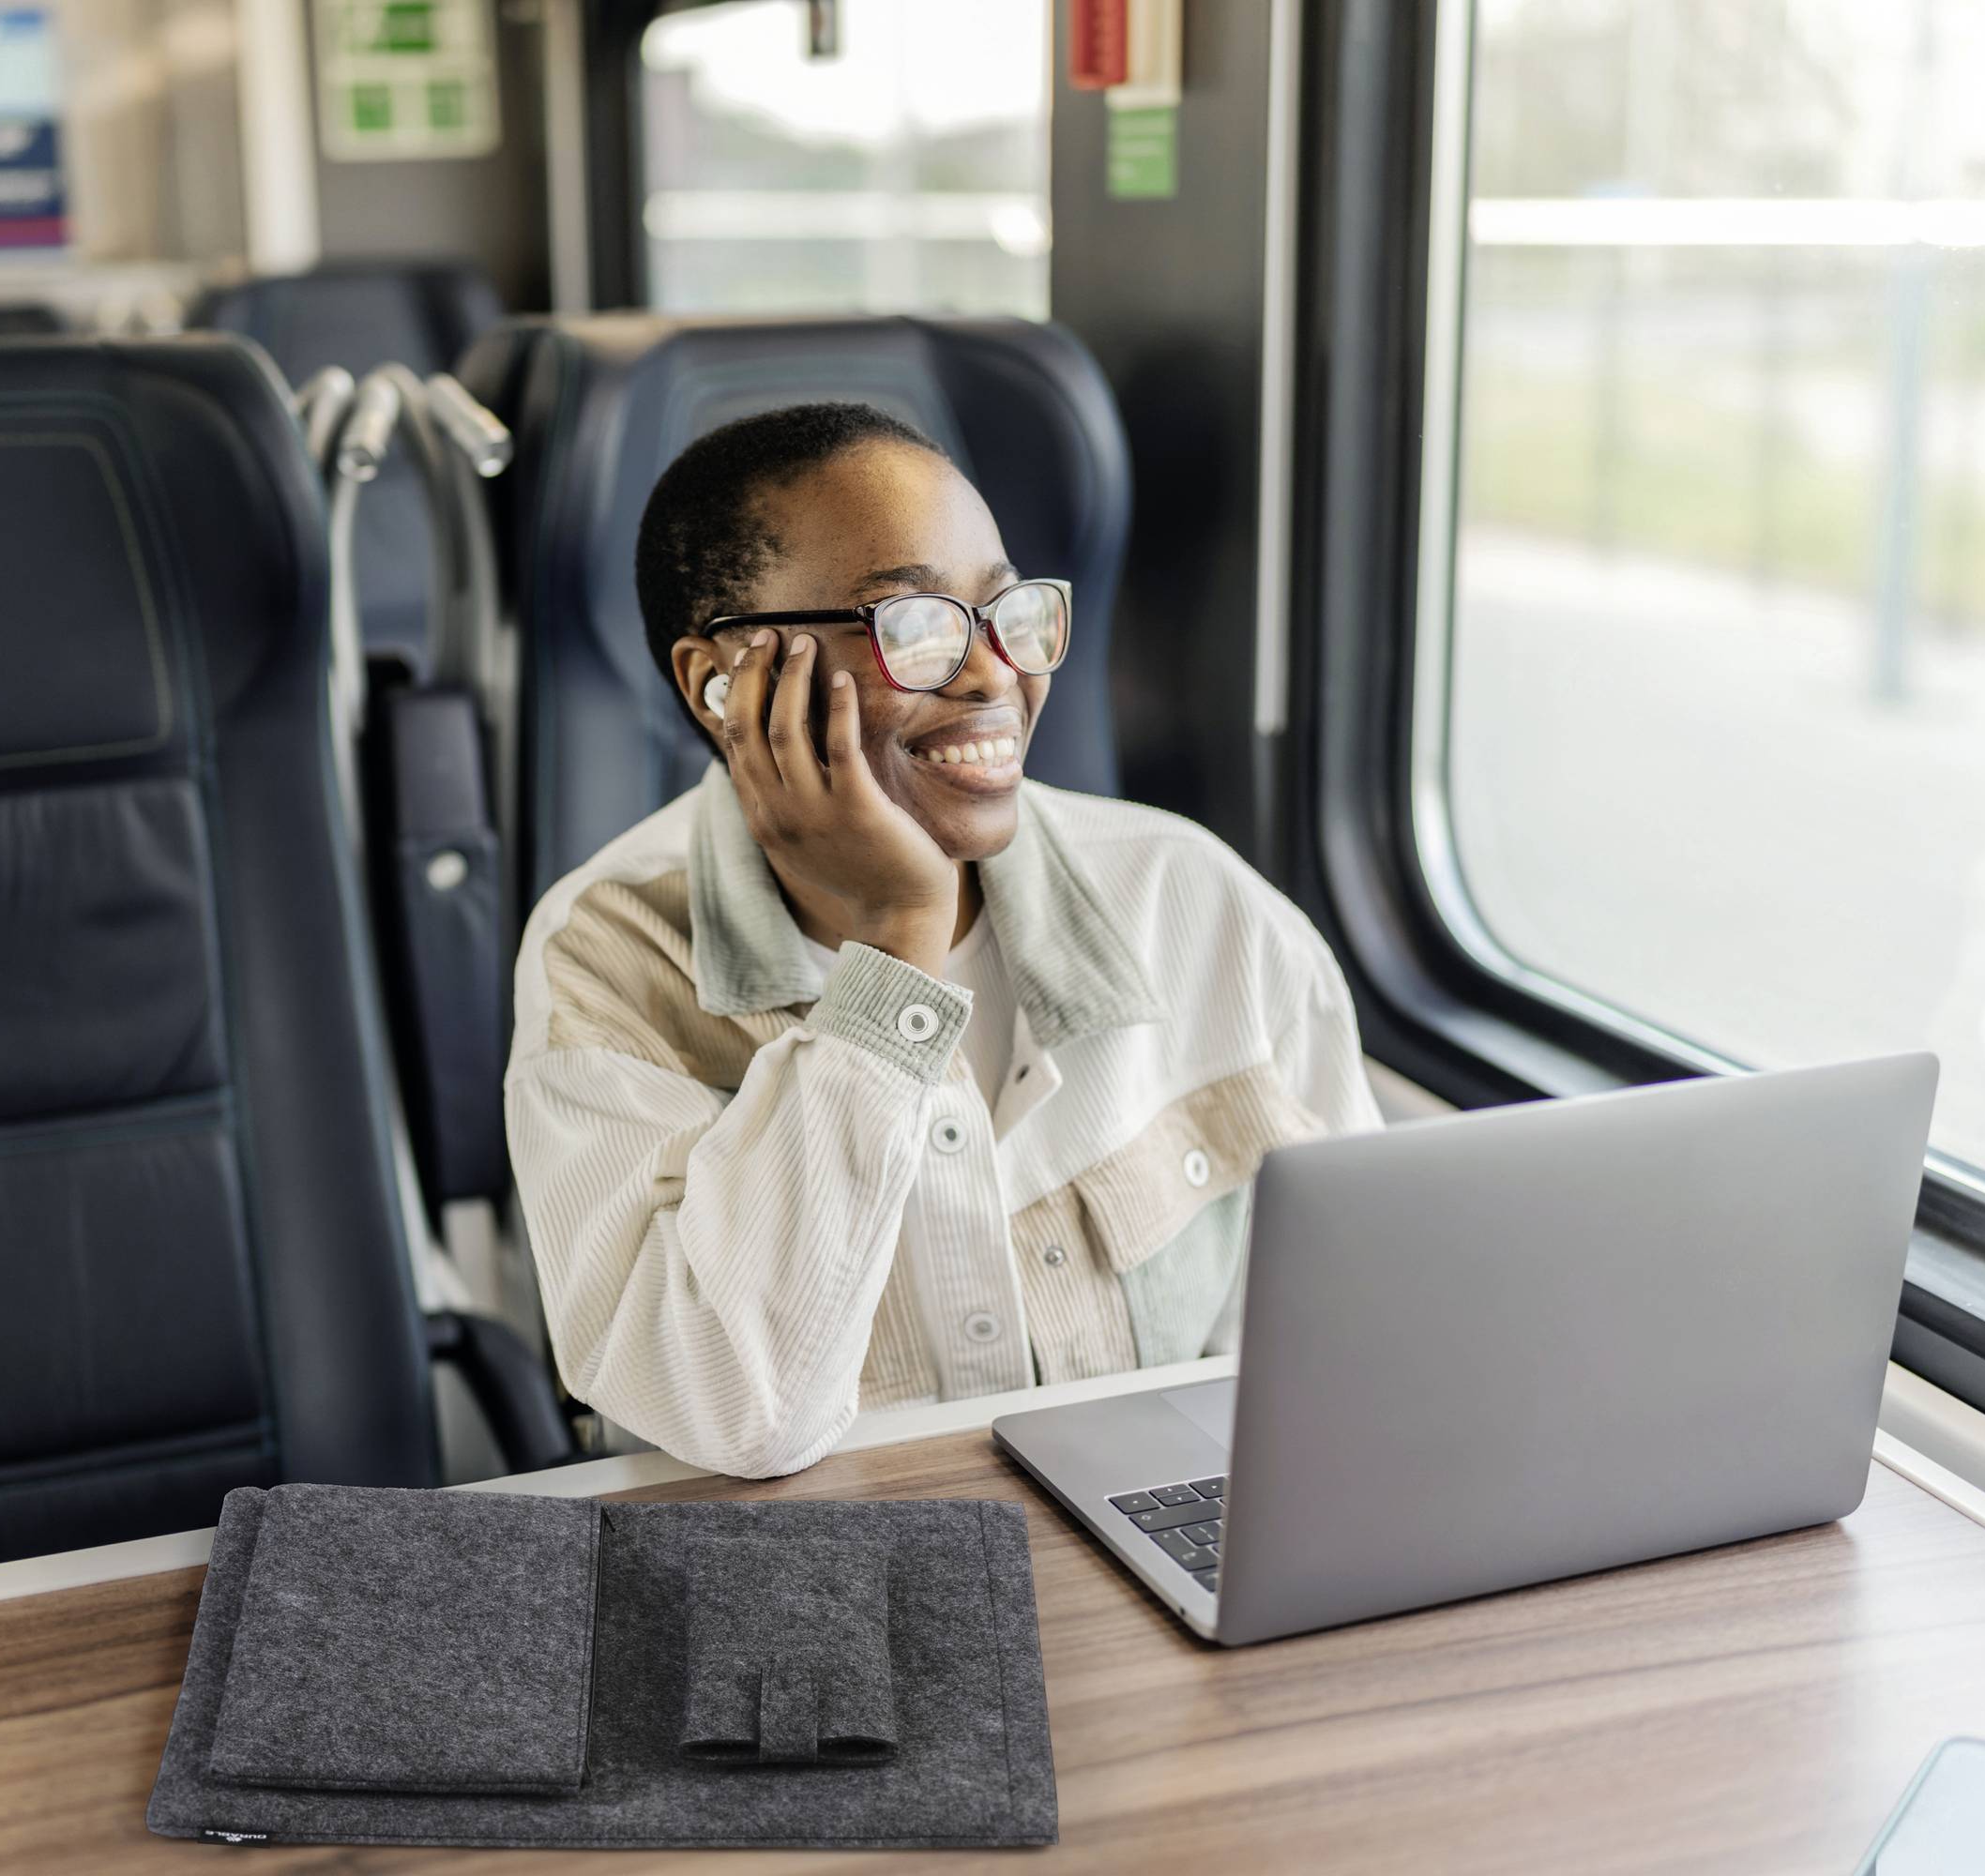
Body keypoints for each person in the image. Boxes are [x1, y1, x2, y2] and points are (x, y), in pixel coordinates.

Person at [506, 401, 1379, 1476]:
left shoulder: (1194, 900)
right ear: (719, 683)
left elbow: (1353, 1335)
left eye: (1007, 612)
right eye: (913, 624)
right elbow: (739, 1411)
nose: (992, 674)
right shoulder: (607, 959)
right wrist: (895, 940)